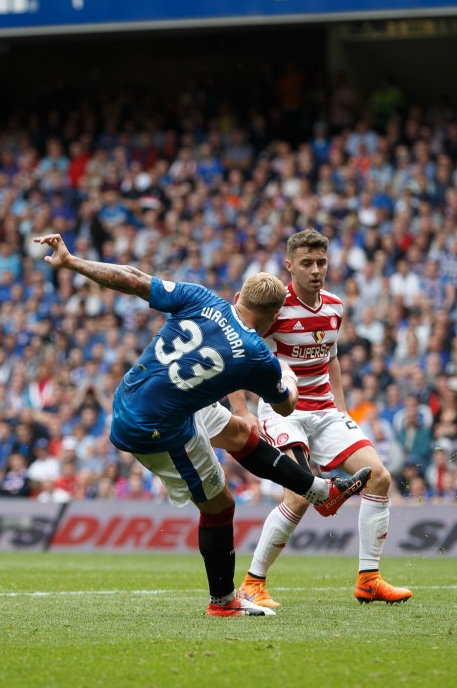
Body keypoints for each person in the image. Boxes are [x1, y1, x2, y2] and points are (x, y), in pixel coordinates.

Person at [34, 233, 371, 618]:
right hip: (155, 426)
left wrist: (73, 261)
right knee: (219, 506)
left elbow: (131, 277)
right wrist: (288, 374)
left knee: (242, 434)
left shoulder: (203, 298)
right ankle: (223, 602)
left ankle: (319, 492)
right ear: (273, 316)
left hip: (134, 395)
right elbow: (285, 404)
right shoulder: (257, 355)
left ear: (239, 296)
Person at [235, 229, 412, 607]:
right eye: (307, 263)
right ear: (289, 265)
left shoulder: (335, 307)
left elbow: (330, 357)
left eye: (321, 262)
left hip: (327, 411)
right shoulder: (273, 307)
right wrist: (242, 409)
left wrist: (343, 409)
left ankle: (369, 579)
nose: (316, 270)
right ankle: (252, 583)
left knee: (379, 477)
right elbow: (234, 351)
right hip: (284, 411)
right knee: (299, 496)